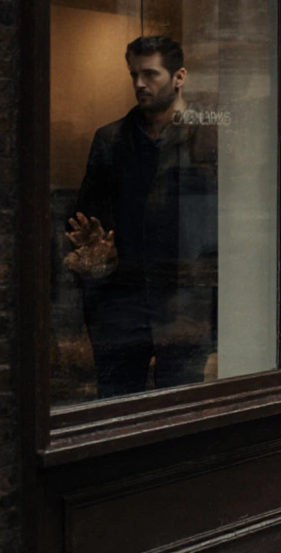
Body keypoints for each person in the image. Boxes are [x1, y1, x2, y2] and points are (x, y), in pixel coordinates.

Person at [63, 35, 219, 398]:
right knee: (118, 409)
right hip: (122, 307)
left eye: (150, 74)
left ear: (179, 77)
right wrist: (93, 249)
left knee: (178, 412)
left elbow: (221, 226)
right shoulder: (111, 140)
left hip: (183, 306)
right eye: (134, 74)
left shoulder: (206, 139)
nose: (139, 84)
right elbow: (84, 220)